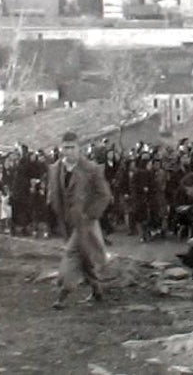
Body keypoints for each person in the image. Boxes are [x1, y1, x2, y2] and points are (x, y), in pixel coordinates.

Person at [48, 132, 113, 310]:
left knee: (71, 254)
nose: (68, 151)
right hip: (66, 221)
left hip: (85, 222)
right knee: (85, 257)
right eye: (65, 147)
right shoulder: (55, 169)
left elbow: (105, 195)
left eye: (72, 147)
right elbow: (53, 193)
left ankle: (63, 294)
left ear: (80, 148)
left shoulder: (91, 168)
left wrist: (90, 214)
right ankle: (97, 289)